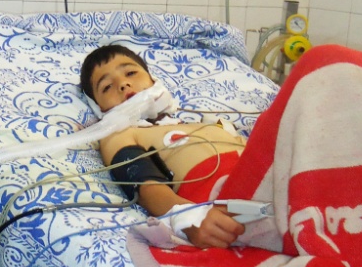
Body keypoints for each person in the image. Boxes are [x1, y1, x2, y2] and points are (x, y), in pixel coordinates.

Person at [80, 44, 248, 248]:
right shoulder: (121, 133)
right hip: (225, 200)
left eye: (131, 73)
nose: (123, 84)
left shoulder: (203, 124)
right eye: (107, 87)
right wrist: (189, 216)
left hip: (265, 176)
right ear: (98, 107)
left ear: (153, 79)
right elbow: (146, 187)